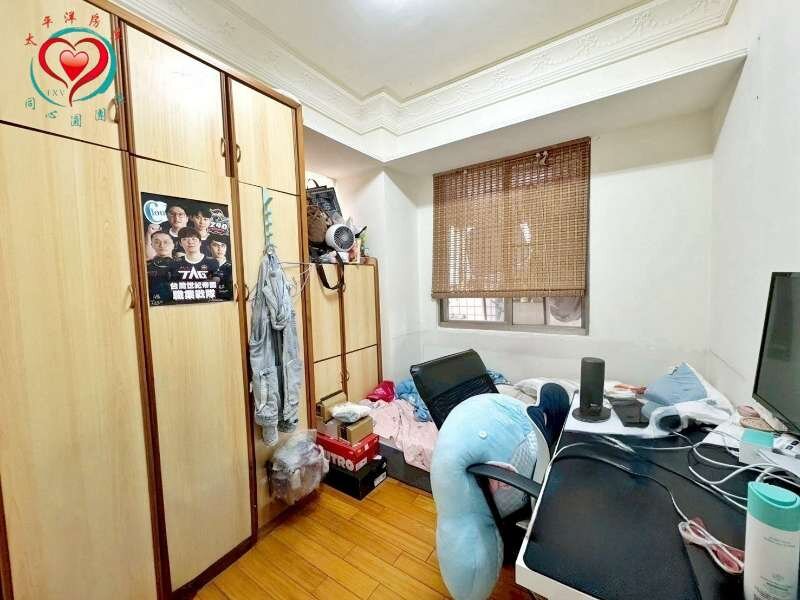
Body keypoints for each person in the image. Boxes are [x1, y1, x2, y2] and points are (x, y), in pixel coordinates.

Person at [169, 227, 220, 302]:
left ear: (200, 242)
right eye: (185, 239)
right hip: (183, 302)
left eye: (194, 239)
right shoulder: (175, 263)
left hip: (206, 301)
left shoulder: (212, 262)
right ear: (180, 243)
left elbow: (216, 280)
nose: (190, 242)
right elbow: (172, 285)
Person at [146, 231, 175, 305]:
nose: (161, 245)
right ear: (152, 245)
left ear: (173, 245)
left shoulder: (183, 264)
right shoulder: (145, 266)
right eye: (157, 242)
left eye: (166, 242)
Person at [208, 235, 233, 300]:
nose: (220, 249)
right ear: (209, 248)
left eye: (223, 245)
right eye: (215, 245)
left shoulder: (232, 266)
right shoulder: (204, 266)